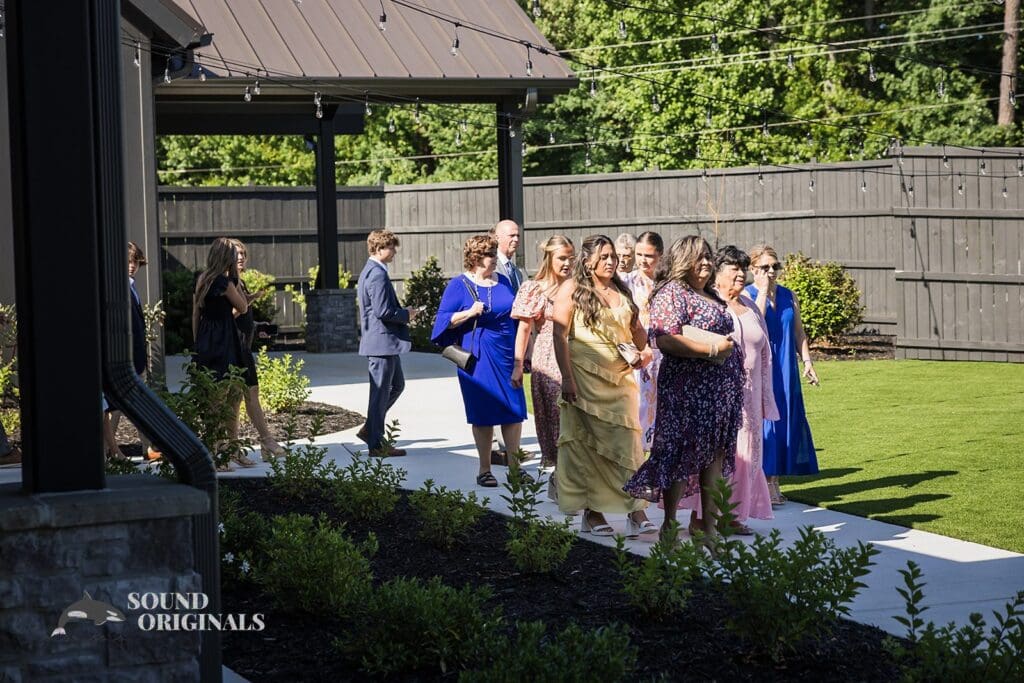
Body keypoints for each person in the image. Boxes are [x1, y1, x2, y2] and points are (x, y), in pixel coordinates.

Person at [623, 236, 744, 546]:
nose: (705, 262)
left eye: (707, 257)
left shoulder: (712, 295)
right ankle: (670, 524)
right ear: (681, 261)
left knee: (714, 457)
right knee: (679, 454)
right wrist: (712, 349)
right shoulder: (672, 293)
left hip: (718, 391)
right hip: (686, 389)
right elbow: (664, 339)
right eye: (697, 257)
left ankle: (710, 529)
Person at [551, 234, 655, 537]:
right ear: (588, 261)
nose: (611, 262)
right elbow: (560, 335)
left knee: (626, 445)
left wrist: (644, 353)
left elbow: (639, 334)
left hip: (620, 379)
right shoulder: (572, 289)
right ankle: (592, 513)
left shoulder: (621, 290)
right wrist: (567, 378)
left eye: (613, 256)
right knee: (589, 447)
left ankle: (636, 510)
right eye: (605, 256)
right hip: (583, 377)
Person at [679, 246, 778, 534]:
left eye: (742, 268)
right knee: (718, 454)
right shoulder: (710, 305)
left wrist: (764, 398)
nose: (739, 273)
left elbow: (764, 354)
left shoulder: (749, 307)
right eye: (733, 268)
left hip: (750, 396)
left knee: (747, 456)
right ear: (717, 274)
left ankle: (733, 516)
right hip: (718, 395)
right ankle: (701, 519)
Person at [432, 234, 527, 487]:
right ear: (475, 258)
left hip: (506, 353)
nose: (494, 259)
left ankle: (515, 468)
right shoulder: (458, 285)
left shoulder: (505, 281)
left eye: (495, 254)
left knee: (514, 412)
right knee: (483, 414)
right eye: (489, 255)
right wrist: (469, 312)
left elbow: (516, 317)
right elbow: (441, 321)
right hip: (478, 357)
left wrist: (523, 353)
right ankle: (485, 469)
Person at [744, 245, 820, 505]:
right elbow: (755, 323)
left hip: (786, 368)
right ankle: (766, 483)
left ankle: (775, 480)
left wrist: (807, 362)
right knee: (767, 424)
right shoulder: (747, 295)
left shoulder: (790, 296)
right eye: (765, 267)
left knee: (786, 421)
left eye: (775, 266)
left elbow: (799, 333)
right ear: (753, 269)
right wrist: (763, 291)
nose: (771, 271)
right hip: (762, 368)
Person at [510, 235, 575, 488]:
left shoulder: (578, 287)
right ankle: (560, 475)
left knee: (575, 417)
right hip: (548, 355)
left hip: (578, 352)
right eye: (562, 258)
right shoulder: (534, 288)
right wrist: (518, 365)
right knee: (557, 415)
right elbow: (524, 330)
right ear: (549, 258)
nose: (567, 263)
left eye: (571, 258)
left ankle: (569, 477)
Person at [192, 237, 256, 469]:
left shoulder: (202, 279)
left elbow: (195, 313)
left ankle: (228, 451)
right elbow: (243, 307)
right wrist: (237, 283)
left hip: (206, 340)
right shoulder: (226, 283)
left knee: (214, 399)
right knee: (229, 399)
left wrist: (197, 342)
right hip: (225, 340)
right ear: (227, 258)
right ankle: (221, 455)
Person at [356, 229, 417, 457]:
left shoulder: (373, 271)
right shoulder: (377, 274)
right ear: (379, 249)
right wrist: (406, 314)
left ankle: (371, 428)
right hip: (381, 343)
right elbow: (382, 310)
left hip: (385, 343)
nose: (394, 252)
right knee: (380, 392)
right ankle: (376, 444)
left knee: (396, 386)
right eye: (391, 247)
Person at [228, 239, 286, 460]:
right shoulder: (228, 283)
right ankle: (265, 441)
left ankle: (246, 445)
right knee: (241, 397)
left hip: (243, 347)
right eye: (236, 254)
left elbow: (241, 317)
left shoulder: (238, 282)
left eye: (243, 254)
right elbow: (229, 315)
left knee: (243, 397)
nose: (241, 258)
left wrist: (256, 327)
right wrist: (247, 302)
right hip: (234, 350)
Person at [621, 231, 664, 451]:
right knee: (636, 408)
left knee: (661, 410)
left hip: (664, 354)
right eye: (639, 254)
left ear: (659, 255)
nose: (642, 260)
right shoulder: (625, 282)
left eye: (648, 255)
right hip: (636, 355)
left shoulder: (667, 284)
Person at [490, 219, 525, 294]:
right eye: (512, 236)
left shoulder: (517, 271)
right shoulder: (489, 266)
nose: (516, 239)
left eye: (518, 236)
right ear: (497, 238)